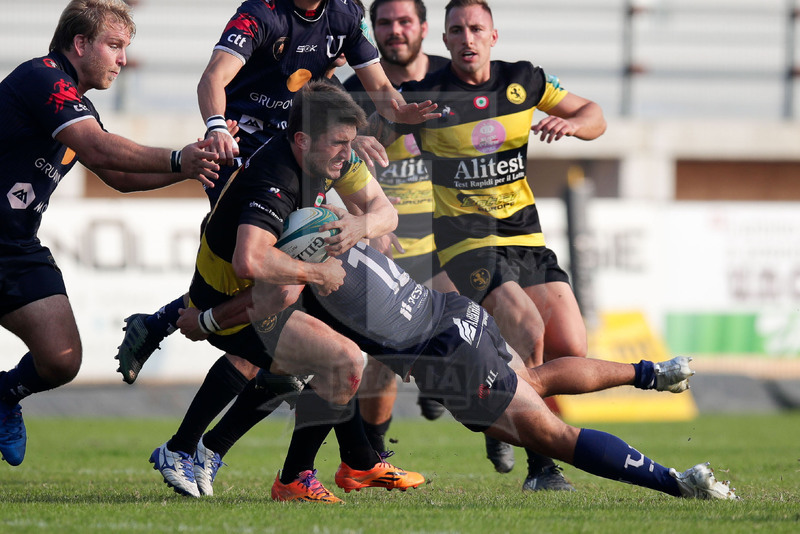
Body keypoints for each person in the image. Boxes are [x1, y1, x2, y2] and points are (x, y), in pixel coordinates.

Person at [177, 239, 738, 502]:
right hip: (455, 314)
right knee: (535, 382)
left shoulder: (300, 264)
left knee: (553, 434)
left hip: (446, 357)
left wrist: (199, 317)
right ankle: (647, 372)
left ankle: (675, 482)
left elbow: (260, 301)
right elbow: (381, 218)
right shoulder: (345, 222)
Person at [113, 0, 439, 385]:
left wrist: (399, 115)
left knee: (283, 288)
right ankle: (191, 349)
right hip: (244, 147)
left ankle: (173, 356)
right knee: (268, 278)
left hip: (300, 147)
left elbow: (383, 91)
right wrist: (217, 126)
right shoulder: (262, 14)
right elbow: (213, 78)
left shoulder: (346, 14)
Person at [148, 81, 423, 500]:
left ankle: (212, 453)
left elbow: (385, 212)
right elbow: (250, 261)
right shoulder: (273, 177)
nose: (348, 153)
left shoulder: (330, 156)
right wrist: (318, 273)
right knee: (338, 359)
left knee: (321, 364)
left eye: (350, 142)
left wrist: (359, 226)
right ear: (302, 140)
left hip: (271, 292)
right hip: (228, 295)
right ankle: (190, 450)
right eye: (339, 143)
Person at [374, 0, 607, 490]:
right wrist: (367, 202)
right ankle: (542, 464)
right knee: (525, 325)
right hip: (465, 242)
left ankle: (493, 396)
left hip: (526, 235)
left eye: (476, 28)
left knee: (572, 347)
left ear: (494, 36)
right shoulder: (424, 94)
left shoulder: (524, 80)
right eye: (456, 30)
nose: (467, 38)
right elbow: (365, 143)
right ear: (445, 41)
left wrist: (573, 125)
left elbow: (594, 114)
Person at [0, 0, 221, 467]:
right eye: (115, 46)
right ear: (79, 44)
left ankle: (3, 396)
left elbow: (115, 174)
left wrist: (190, 168)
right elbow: (100, 149)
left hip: (14, 245)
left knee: (61, 360)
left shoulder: (79, 105)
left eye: (126, 48)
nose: (123, 59)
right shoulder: (42, 78)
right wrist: (179, 158)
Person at [342, 0, 455, 452]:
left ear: (424, 28)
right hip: (385, 242)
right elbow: (332, 171)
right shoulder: (352, 92)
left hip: (445, 240)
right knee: (385, 356)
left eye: (404, 20)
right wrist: (366, 224)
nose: (395, 30)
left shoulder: (451, 81)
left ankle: (444, 389)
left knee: (473, 319)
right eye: (384, 22)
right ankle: (372, 450)